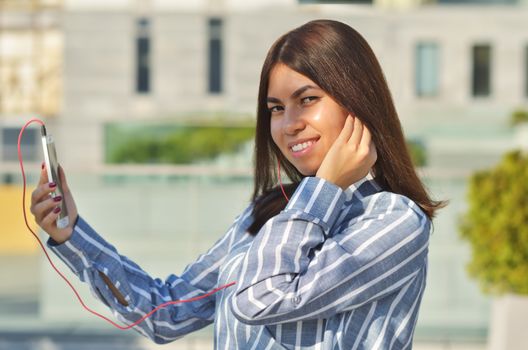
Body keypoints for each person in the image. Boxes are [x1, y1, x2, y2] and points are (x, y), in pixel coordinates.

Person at [31, 19, 444, 349]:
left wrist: (323, 191)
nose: (289, 123)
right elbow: (165, 312)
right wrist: (73, 236)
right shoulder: (272, 211)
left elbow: (263, 297)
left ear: (357, 99)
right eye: (276, 108)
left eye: (308, 99)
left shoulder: (395, 222)